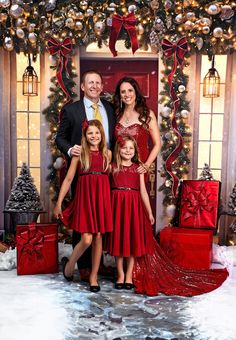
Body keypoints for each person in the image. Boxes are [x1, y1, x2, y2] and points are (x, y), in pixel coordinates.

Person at [55, 70, 116, 280]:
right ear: (82, 86)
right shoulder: (72, 110)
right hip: (83, 171)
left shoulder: (109, 108)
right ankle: (81, 266)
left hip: (104, 174)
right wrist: (71, 150)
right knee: (83, 224)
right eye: (90, 82)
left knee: (99, 227)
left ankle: (95, 269)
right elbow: (59, 138)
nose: (94, 86)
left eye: (98, 83)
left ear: (101, 86)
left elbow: (114, 139)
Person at [54, 120, 113, 292]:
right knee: (86, 238)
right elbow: (69, 179)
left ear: (101, 135)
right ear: (85, 136)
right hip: (86, 198)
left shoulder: (107, 154)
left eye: (97, 133)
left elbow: (111, 177)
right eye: (90, 133)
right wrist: (58, 203)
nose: (94, 136)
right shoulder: (80, 154)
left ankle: (94, 276)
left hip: (101, 198)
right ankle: (70, 265)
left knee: (98, 237)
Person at [106, 135, 155, 289]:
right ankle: (120, 273)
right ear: (118, 150)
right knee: (118, 239)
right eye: (124, 147)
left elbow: (143, 192)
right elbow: (105, 189)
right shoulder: (112, 167)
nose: (127, 151)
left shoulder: (138, 168)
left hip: (133, 207)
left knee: (131, 239)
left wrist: (150, 212)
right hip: (117, 206)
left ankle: (129, 275)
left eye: (131, 148)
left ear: (135, 151)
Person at [113, 76, 161, 172]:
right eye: (123, 92)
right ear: (120, 95)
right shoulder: (116, 114)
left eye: (130, 90)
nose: (127, 94)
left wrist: (146, 165)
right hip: (118, 167)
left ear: (136, 92)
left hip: (139, 167)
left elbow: (157, 144)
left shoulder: (147, 114)